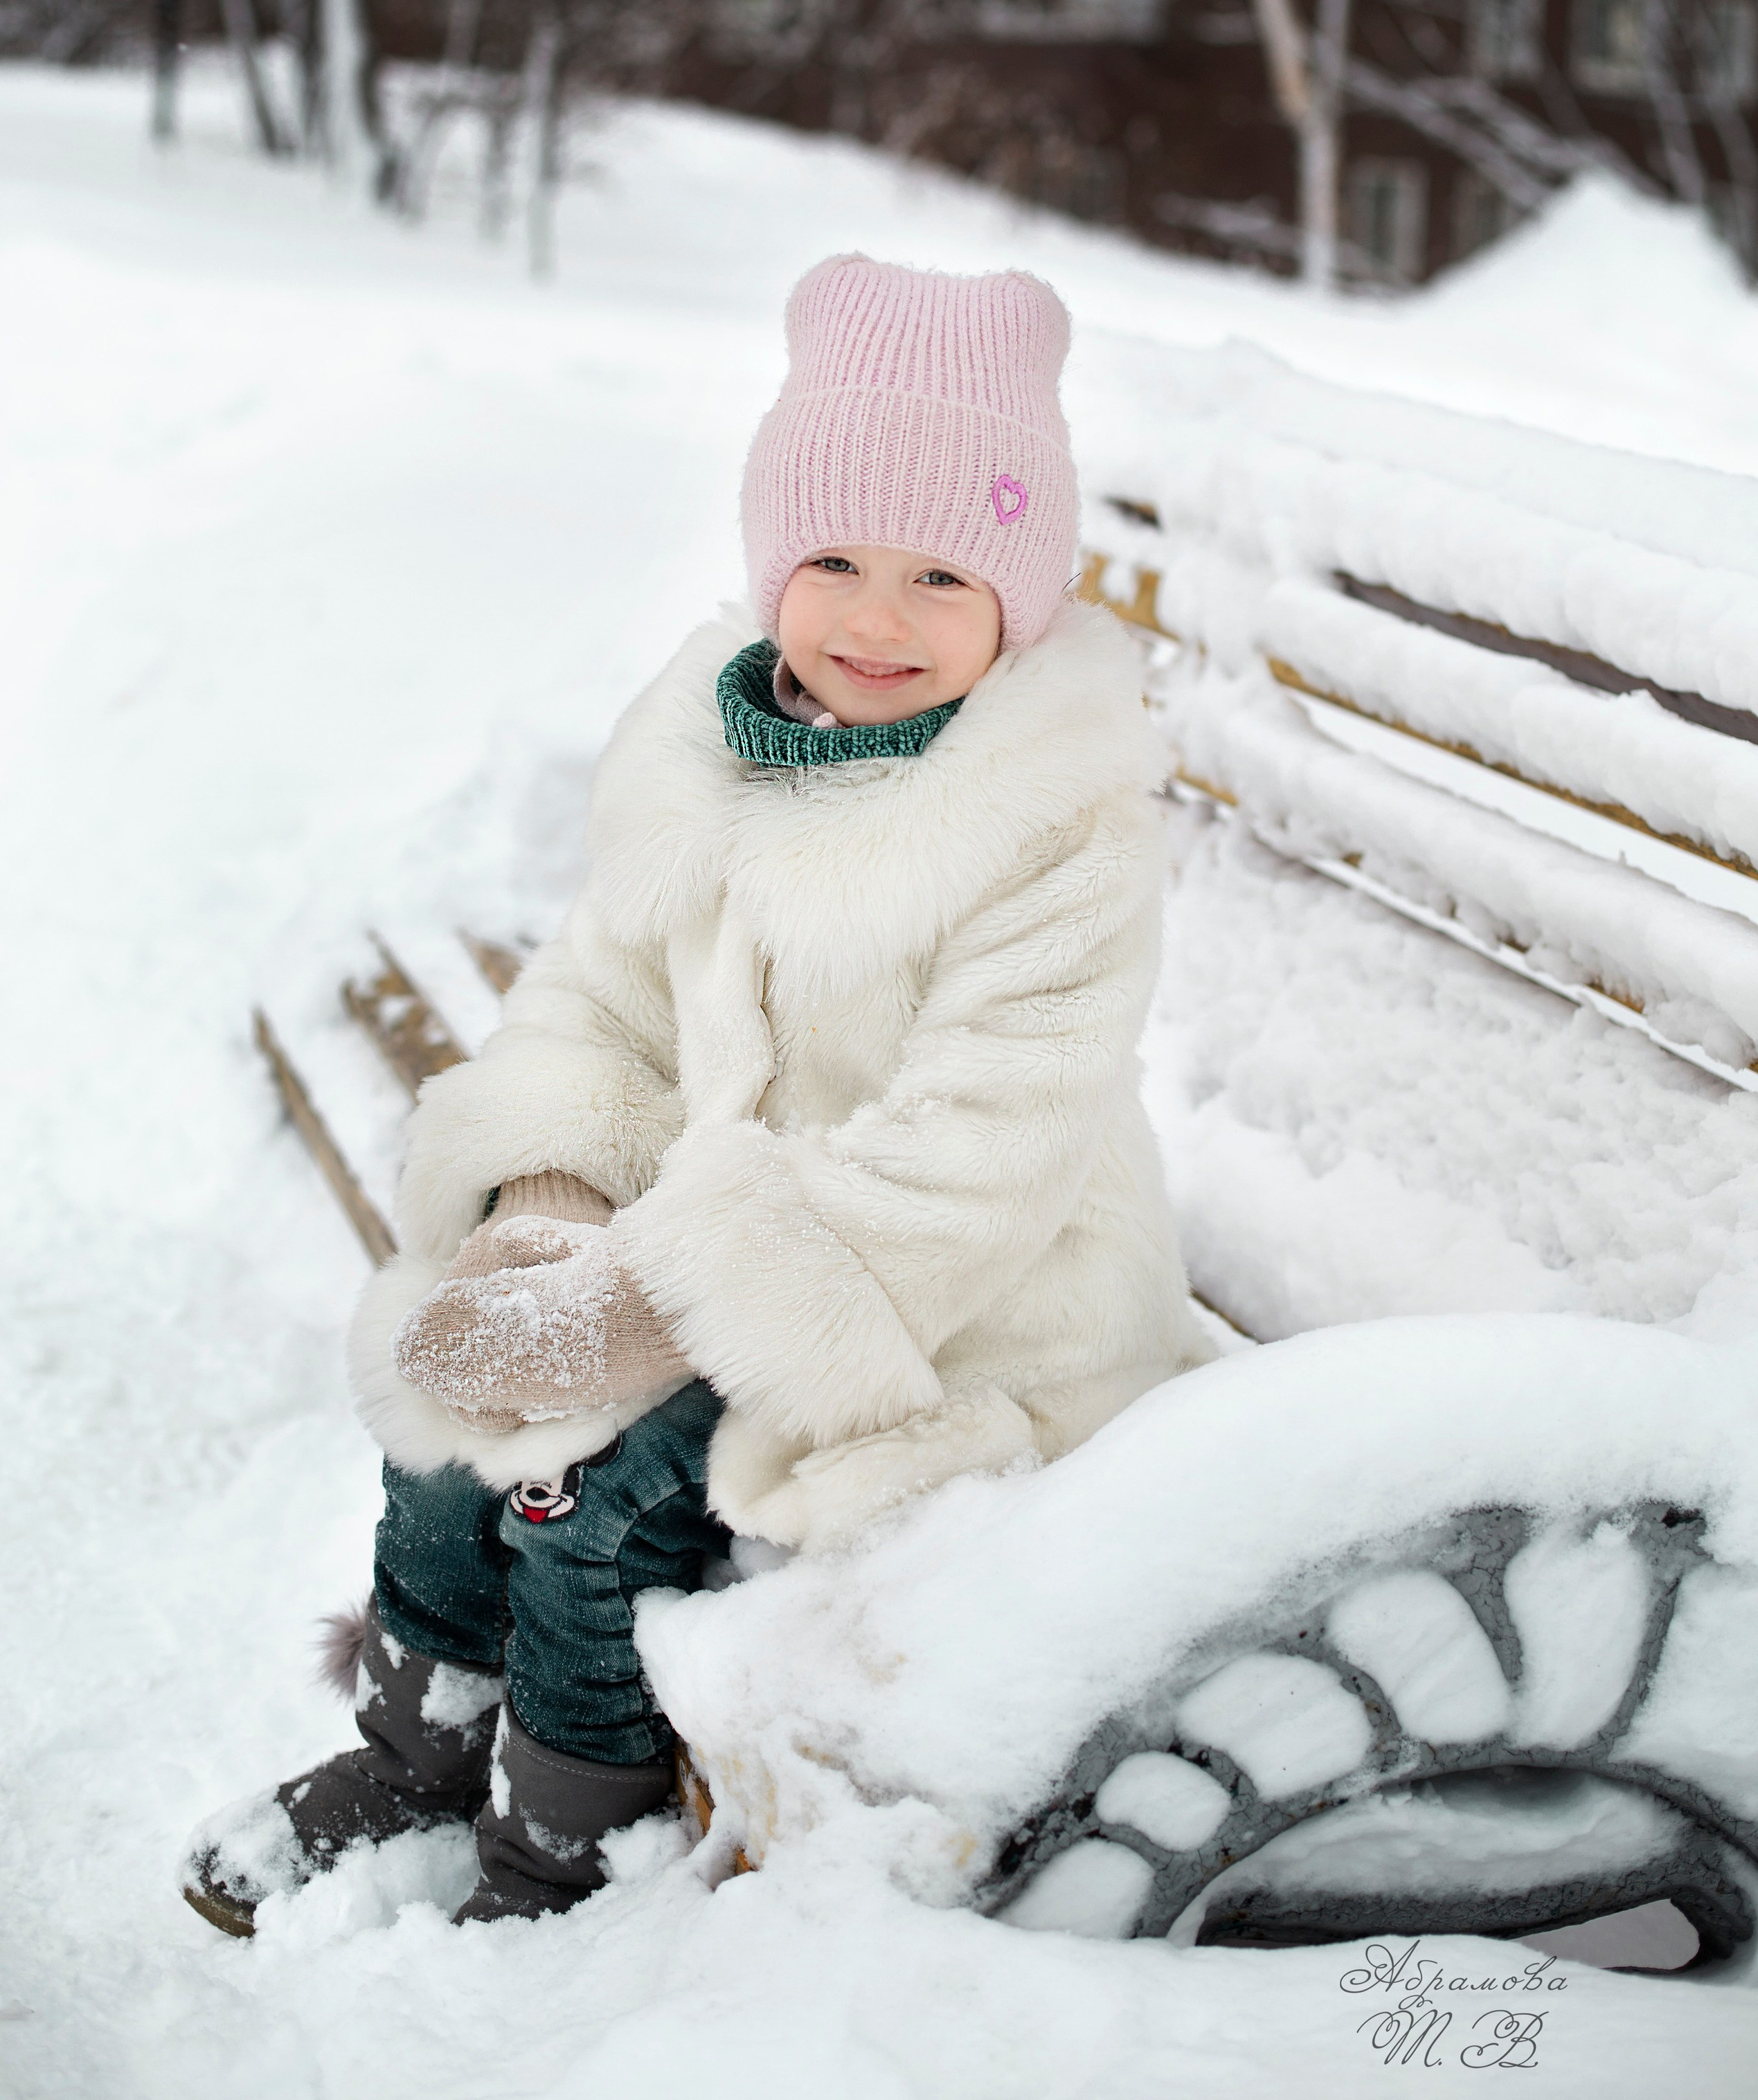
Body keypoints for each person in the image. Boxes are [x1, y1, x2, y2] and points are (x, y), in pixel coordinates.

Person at [181, 253, 1213, 1935]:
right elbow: (601, 992)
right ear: (768, 560)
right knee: (456, 1413)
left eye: (941, 574)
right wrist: (547, 1212)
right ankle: (425, 1744)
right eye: (833, 561)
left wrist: (643, 1314)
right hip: (716, 1249)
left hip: (957, 1317)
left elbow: (980, 1156)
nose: (876, 622)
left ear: (1018, 596)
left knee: (585, 1485)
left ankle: (567, 1832)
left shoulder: (1056, 830)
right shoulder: (717, 751)